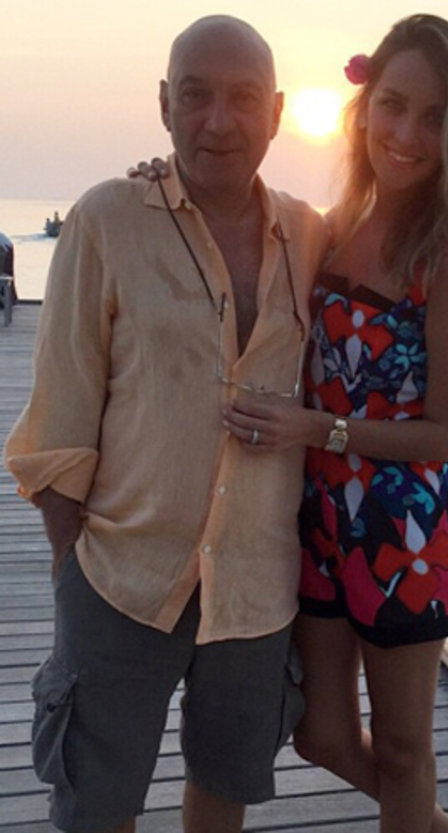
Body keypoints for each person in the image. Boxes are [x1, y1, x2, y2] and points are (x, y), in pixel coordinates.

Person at [4, 15, 327, 833]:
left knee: (222, 793)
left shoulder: (311, 234)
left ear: (277, 111)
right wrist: (72, 571)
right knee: (97, 807)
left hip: (255, 588)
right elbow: (60, 417)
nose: (219, 120)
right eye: (195, 95)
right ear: (163, 105)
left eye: (243, 98)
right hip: (122, 578)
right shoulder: (107, 219)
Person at [221, 14, 448, 833]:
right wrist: (158, 180)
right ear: (364, 106)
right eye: (394, 105)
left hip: (402, 533)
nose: (406, 134)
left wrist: (318, 429)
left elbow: (447, 435)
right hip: (319, 521)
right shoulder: (334, 226)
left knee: (407, 750)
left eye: (433, 117)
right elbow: (233, 219)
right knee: (321, 732)